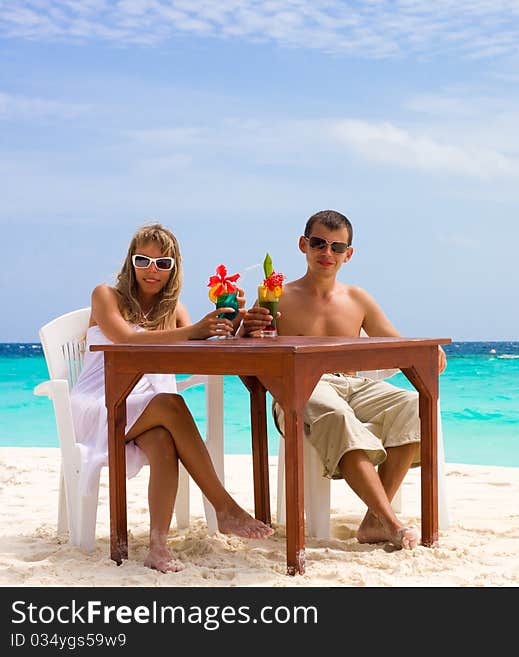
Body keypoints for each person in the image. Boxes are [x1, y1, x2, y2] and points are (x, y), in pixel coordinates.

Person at [71, 222, 273, 573]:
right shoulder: (106, 296)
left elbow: (202, 349)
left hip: (146, 408)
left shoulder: (174, 309)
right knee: (171, 402)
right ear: (130, 263)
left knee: (165, 439)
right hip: (101, 402)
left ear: (173, 268)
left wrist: (234, 320)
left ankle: (158, 547)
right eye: (143, 260)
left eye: (163, 264)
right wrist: (193, 330)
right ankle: (224, 508)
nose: (152, 271)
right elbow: (125, 341)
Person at [240, 209, 446, 550]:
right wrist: (246, 331)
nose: (327, 253)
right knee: (337, 415)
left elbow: (397, 345)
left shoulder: (357, 299)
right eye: (319, 243)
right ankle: (392, 522)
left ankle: (372, 522)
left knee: (416, 405)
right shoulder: (277, 297)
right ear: (303, 245)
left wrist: (430, 353)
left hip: (354, 386)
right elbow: (248, 358)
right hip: (297, 389)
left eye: (337, 247)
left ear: (348, 254)